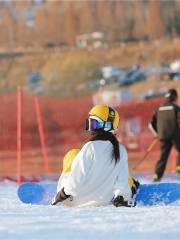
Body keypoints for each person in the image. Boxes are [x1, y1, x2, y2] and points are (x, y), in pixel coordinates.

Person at [51, 104, 139, 207]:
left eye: (93, 123)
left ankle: (131, 183)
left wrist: (60, 196)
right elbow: (121, 182)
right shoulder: (121, 150)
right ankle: (131, 184)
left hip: (74, 201)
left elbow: (76, 180)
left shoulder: (90, 147)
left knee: (72, 154)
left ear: (104, 125)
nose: (90, 127)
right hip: (103, 201)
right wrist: (122, 197)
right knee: (119, 174)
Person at [149, 88, 180, 182]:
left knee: (163, 156)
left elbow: (151, 124)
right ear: (175, 97)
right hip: (175, 135)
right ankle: (179, 168)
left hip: (163, 136)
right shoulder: (176, 108)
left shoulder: (159, 108)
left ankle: (157, 175)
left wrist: (158, 133)